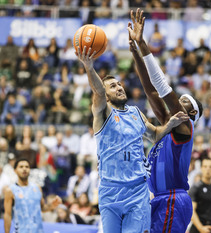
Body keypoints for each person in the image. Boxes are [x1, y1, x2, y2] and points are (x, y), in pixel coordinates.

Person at [75, 32, 189, 233]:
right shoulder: (103, 112)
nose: (119, 87)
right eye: (113, 86)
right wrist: (89, 66)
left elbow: (154, 135)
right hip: (110, 190)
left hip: (137, 191)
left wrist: (170, 124)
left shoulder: (136, 112)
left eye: (119, 84)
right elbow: (98, 93)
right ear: (106, 95)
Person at [128, 9, 203, 233]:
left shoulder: (185, 129)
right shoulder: (169, 129)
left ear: (190, 115)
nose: (178, 102)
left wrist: (143, 45)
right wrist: (135, 54)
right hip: (160, 199)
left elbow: (161, 87)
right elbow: (151, 92)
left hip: (173, 199)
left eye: (184, 103)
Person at [4, 159, 61, 233]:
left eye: (27, 167)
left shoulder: (37, 188)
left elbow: (42, 208)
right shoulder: (11, 190)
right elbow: (7, 215)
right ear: (15, 170)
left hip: (38, 230)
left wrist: (52, 205)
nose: (24, 169)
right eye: (21, 167)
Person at [189, 158, 211, 233]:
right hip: (198, 228)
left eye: (210, 167)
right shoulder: (196, 188)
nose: (208, 169)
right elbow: (191, 211)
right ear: (201, 168)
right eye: (205, 166)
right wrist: (201, 228)